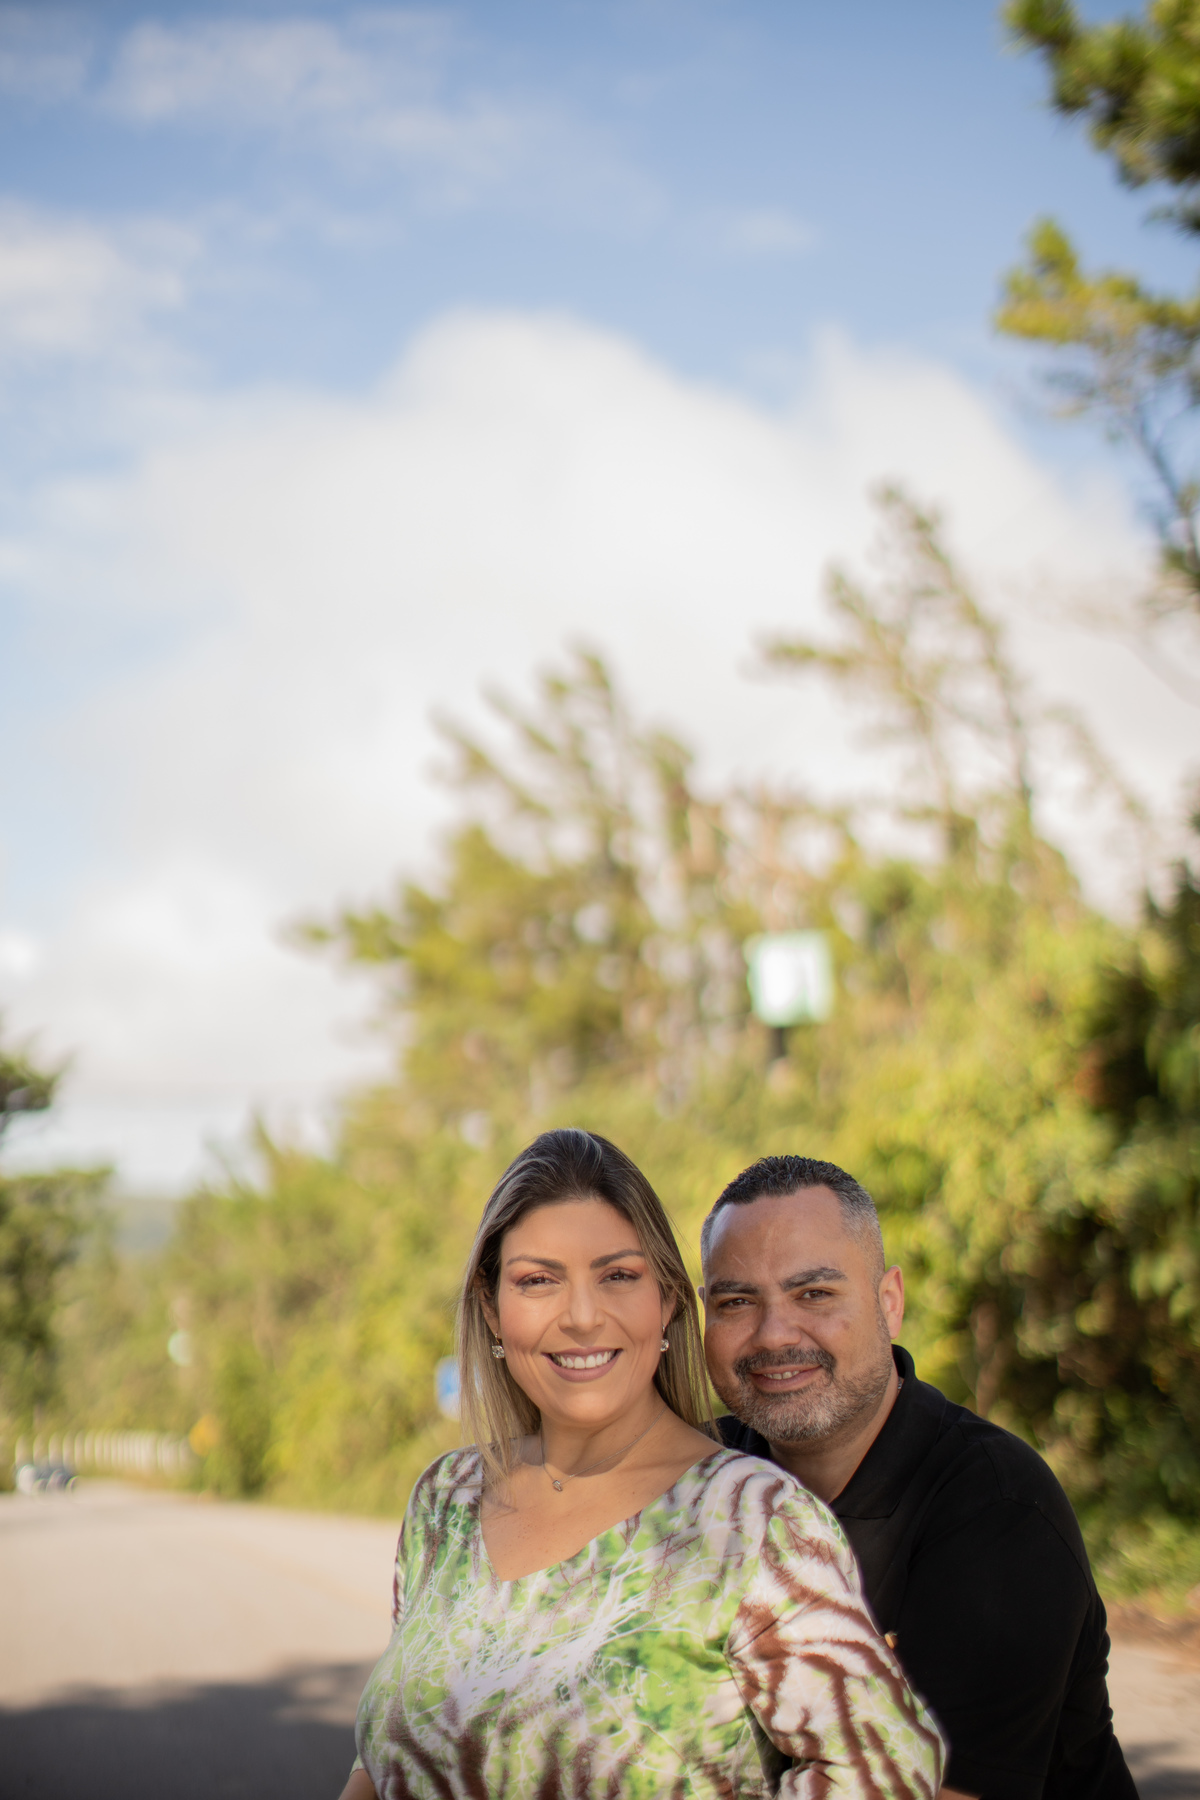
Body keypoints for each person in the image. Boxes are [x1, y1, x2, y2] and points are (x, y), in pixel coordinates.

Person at [340, 1128, 944, 1800]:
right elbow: (383, 1761)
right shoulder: (445, 1500)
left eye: (618, 1276)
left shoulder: (752, 1523)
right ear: (492, 1309)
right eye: (538, 1281)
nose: (580, 1316)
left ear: (667, 1303)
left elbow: (887, 1771)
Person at [702, 1154, 1137, 1800]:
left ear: (889, 1303)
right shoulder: (692, 1484)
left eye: (814, 1293)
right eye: (737, 1301)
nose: (774, 1335)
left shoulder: (997, 1512)